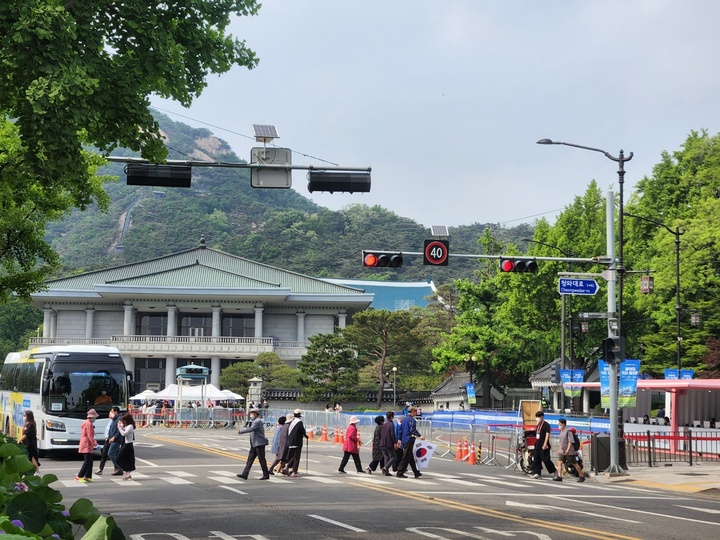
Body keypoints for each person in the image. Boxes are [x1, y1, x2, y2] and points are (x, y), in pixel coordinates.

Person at [236, 407, 271, 480]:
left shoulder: (257, 421)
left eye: (252, 413)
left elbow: (251, 429)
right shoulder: (254, 421)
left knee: (261, 460)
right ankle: (245, 474)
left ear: (256, 414)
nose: (251, 415)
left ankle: (266, 474)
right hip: (254, 443)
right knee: (250, 459)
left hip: (259, 443)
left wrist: (241, 431)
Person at [396, 406, 424, 478]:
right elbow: (412, 430)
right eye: (415, 412)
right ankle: (400, 472)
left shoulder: (404, 419)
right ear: (412, 412)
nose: (416, 413)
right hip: (409, 439)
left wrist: (399, 439)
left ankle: (416, 472)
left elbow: (400, 430)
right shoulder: (411, 420)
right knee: (406, 457)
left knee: (410, 457)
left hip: (404, 439)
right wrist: (419, 436)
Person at [553, 418, 585, 482]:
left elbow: (570, 442)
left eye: (559, 424)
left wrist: (568, 450)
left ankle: (581, 476)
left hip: (569, 452)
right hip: (562, 451)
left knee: (574, 463)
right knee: (559, 463)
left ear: (563, 424)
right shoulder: (561, 432)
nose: (558, 425)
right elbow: (561, 442)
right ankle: (559, 476)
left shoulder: (568, 431)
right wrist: (560, 449)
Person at [531, 410, 557, 480]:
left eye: (539, 417)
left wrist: (545, 444)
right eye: (536, 417)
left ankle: (554, 471)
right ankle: (537, 473)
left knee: (546, 459)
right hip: (537, 444)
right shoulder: (538, 425)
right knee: (536, 459)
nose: (537, 418)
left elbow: (547, 434)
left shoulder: (546, 425)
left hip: (544, 444)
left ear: (542, 417)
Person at [96, 406, 121, 475]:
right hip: (109, 439)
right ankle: (101, 469)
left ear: (116, 412)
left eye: (112, 411)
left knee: (111, 453)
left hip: (115, 439)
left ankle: (118, 467)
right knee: (104, 453)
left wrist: (114, 437)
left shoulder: (119, 419)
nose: (110, 413)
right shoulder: (113, 419)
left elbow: (119, 430)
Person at [75, 409, 99, 482]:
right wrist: (95, 444)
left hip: (87, 444)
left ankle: (87, 476)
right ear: (91, 417)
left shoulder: (87, 423)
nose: (95, 418)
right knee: (87, 461)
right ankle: (79, 476)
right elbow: (90, 436)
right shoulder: (89, 424)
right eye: (94, 417)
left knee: (90, 461)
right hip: (87, 445)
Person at [283, 408, 308, 477]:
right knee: (297, 457)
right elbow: (302, 431)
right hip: (297, 442)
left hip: (290, 441)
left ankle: (287, 467)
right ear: (299, 415)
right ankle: (294, 471)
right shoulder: (299, 422)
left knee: (294, 456)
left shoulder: (292, 421)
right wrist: (306, 436)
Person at [116, 412, 136, 480]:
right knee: (123, 458)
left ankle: (127, 472)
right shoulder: (127, 426)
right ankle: (126, 472)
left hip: (128, 444)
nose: (123, 422)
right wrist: (121, 426)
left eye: (123, 420)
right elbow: (124, 429)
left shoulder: (130, 426)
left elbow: (124, 433)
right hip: (125, 443)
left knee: (121, 458)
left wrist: (119, 428)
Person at [380, 411, 399, 476]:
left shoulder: (385, 424)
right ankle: (385, 468)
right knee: (393, 457)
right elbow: (392, 434)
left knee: (386, 457)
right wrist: (395, 442)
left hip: (382, 442)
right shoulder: (391, 424)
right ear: (391, 417)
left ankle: (386, 471)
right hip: (388, 443)